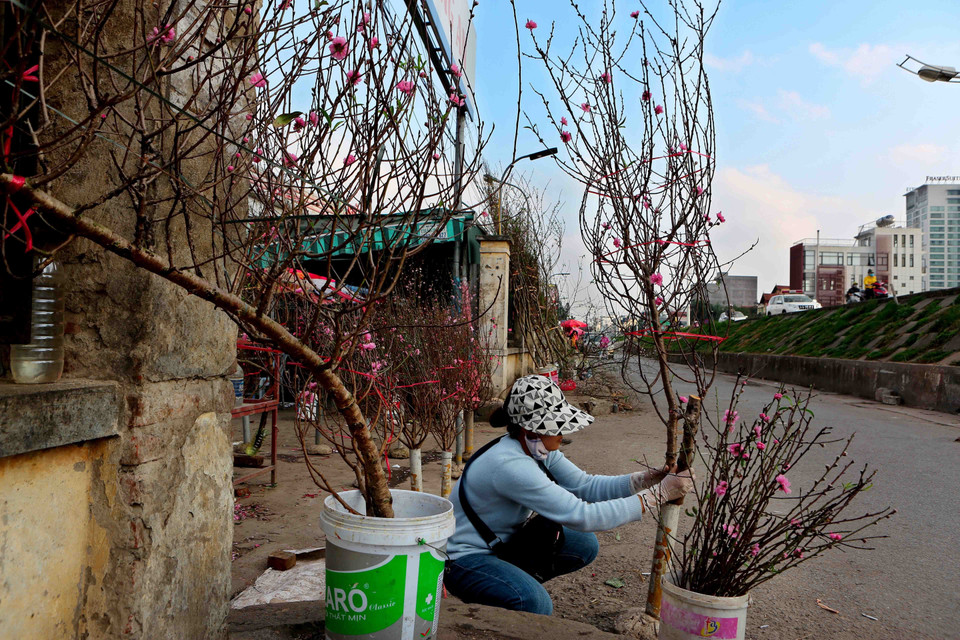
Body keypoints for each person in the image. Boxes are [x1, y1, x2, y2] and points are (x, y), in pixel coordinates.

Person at [444, 375, 694, 615]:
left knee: (582, 543)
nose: (563, 432)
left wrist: (646, 479)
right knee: (535, 604)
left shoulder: (534, 446)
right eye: (556, 425)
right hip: (464, 559)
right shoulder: (511, 466)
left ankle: (507, 584)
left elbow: (585, 485)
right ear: (530, 429)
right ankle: (502, 597)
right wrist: (657, 495)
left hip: (502, 545)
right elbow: (584, 515)